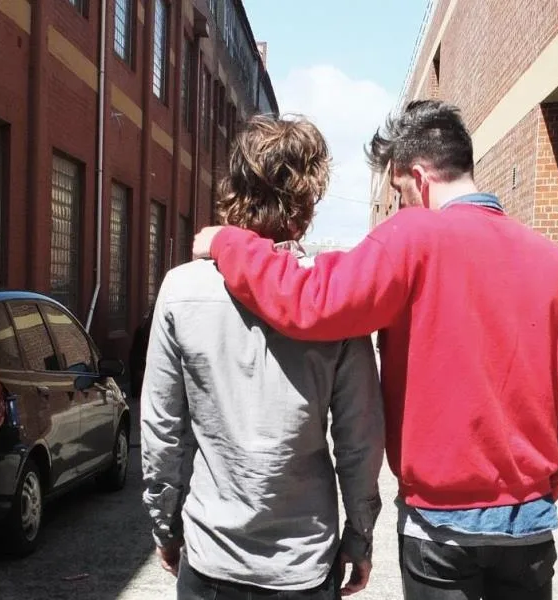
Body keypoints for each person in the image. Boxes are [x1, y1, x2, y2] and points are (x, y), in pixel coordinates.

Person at [192, 100, 558, 600]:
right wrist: (544, 487)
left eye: (400, 192)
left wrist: (231, 244)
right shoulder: (553, 261)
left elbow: (310, 303)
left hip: (440, 524)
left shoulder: (414, 235)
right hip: (528, 521)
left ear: (418, 178)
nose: (402, 205)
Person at [141, 114, 385, 600]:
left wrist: (165, 525)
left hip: (212, 555)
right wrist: (359, 535)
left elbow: (161, 428)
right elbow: (359, 439)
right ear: (308, 200)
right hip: (303, 560)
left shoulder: (181, 289)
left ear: (234, 188)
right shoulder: (334, 300)